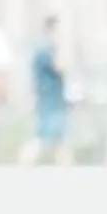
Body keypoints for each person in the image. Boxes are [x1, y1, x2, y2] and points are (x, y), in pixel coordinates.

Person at [27, 17, 68, 163]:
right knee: (42, 137)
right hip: (50, 101)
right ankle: (22, 166)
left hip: (51, 99)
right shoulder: (46, 49)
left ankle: (68, 173)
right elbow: (60, 67)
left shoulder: (43, 48)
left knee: (59, 139)